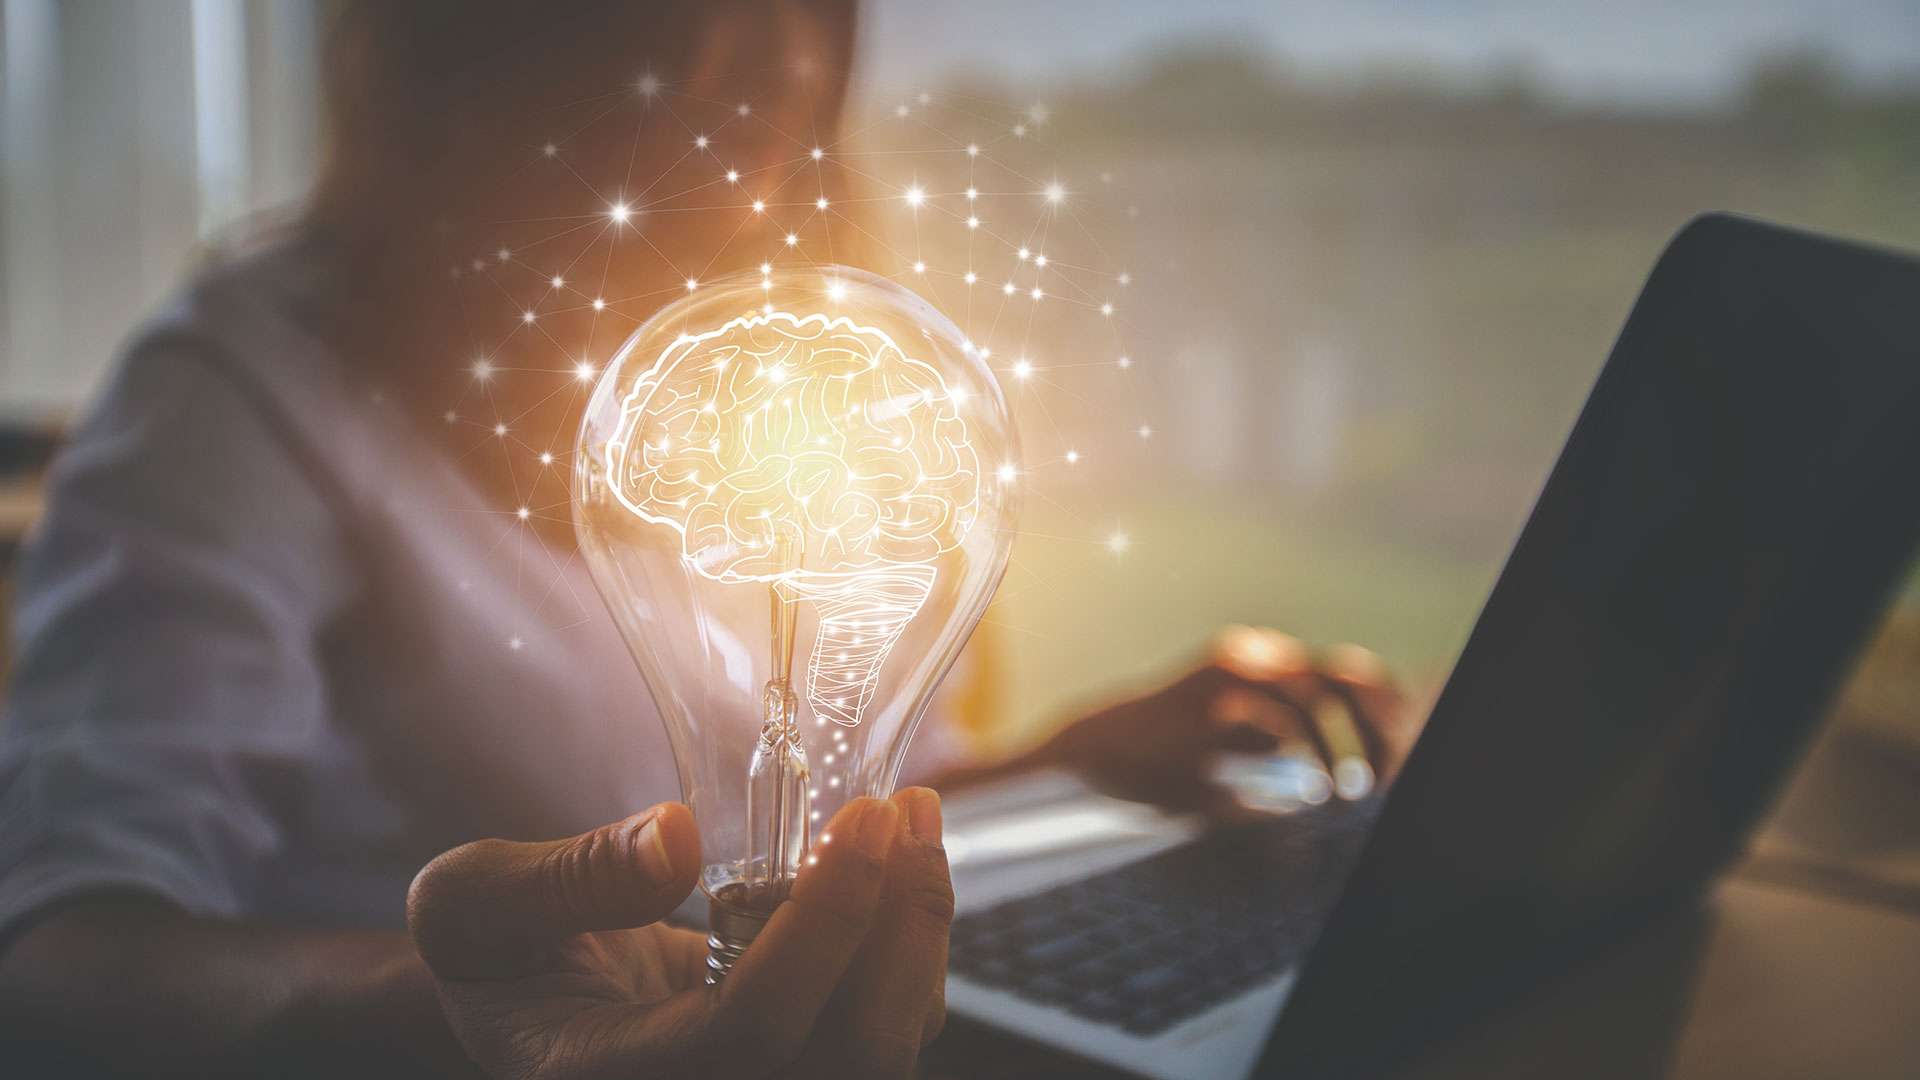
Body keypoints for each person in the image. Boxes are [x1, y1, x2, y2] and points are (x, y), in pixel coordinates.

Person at [0, 2, 1412, 1076]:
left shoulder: (779, 384)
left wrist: (1070, 762)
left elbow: (835, 797)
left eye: (775, 87)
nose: (731, 151)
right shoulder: (234, 401)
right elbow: (52, 958)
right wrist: (452, 1008)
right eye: (655, 69)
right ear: (471, 66)